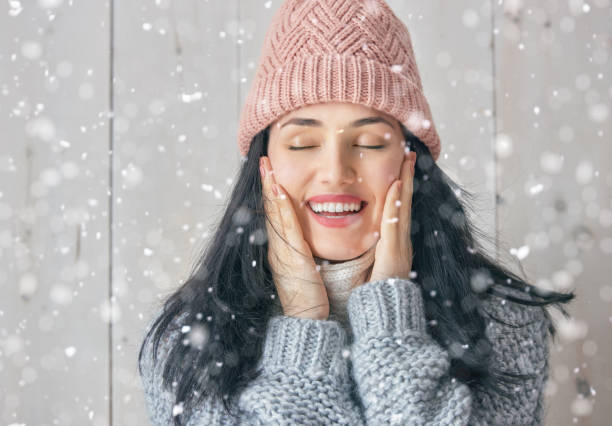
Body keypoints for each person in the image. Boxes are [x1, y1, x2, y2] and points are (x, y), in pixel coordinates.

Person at [138, 1, 574, 425]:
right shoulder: (190, 342)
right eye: (303, 144)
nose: (335, 173)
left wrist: (392, 319)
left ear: (410, 161)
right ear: (262, 164)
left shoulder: (502, 323)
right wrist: (303, 326)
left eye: (369, 143)